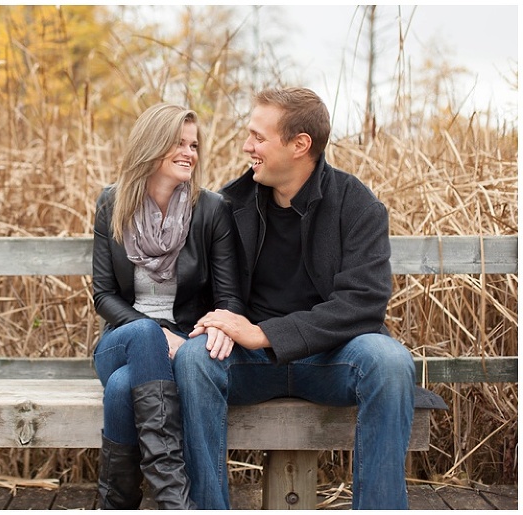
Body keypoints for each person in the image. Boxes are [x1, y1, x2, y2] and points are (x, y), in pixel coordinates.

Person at [175, 87, 417, 510]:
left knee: (391, 361)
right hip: (250, 364)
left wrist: (264, 333)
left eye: (258, 137)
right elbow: (204, 291)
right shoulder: (228, 205)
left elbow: (363, 302)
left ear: (299, 145)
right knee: (195, 361)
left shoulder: (357, 205)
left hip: (333, 358)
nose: (246, 146)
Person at [91, 103, 243, 509]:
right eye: (179, 143)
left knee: (123, 388)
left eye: (193, 145)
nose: (189, 153)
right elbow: (103, 295)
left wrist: (214, 329)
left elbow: (228, 298)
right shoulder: (112, 203)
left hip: (185, 345)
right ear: (151, 144)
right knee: (143, 333)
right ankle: (174, 501)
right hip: (123, 341)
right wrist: (159, 335)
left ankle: (117, 504)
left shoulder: (211, 209)